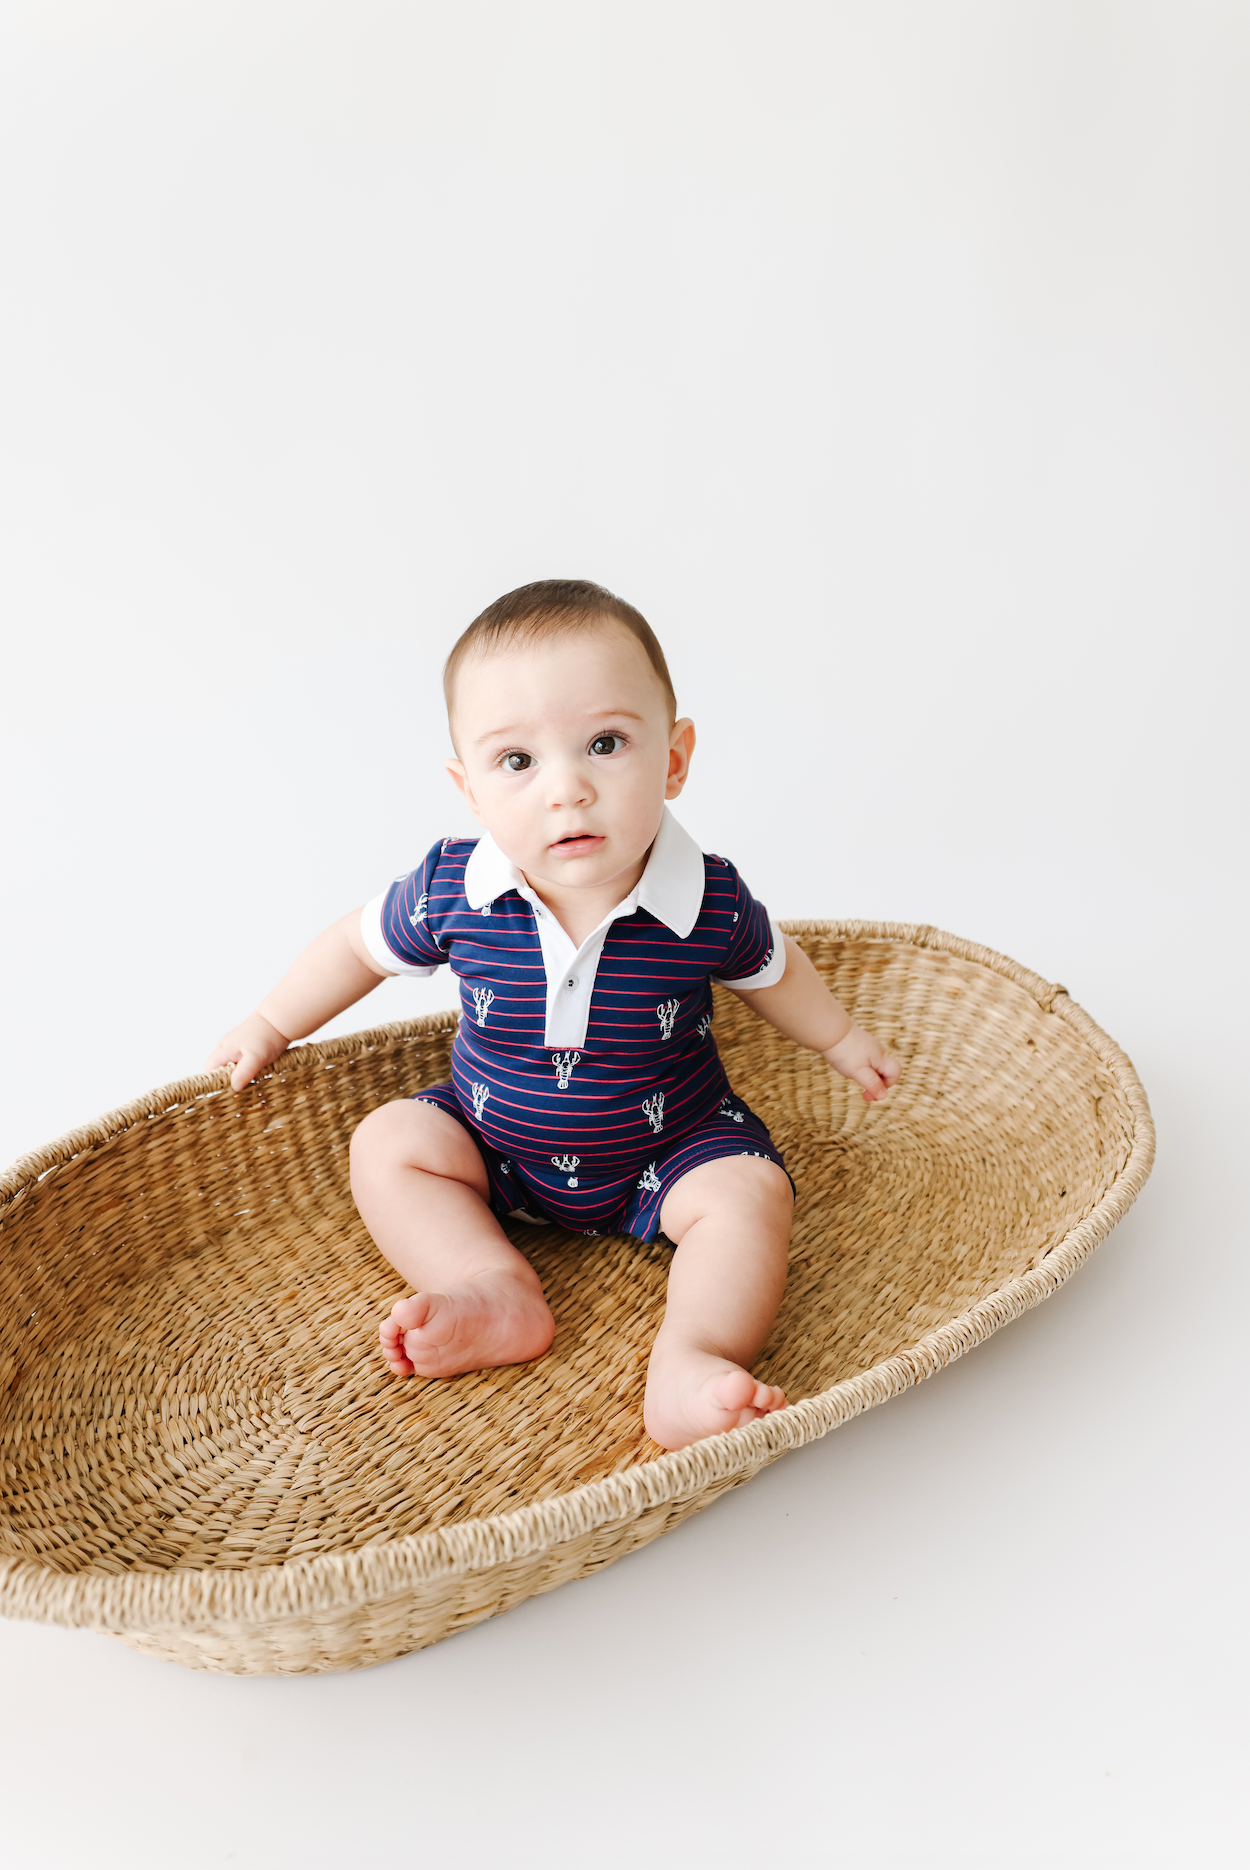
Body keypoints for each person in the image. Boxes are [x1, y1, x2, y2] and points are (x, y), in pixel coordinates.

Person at [208, 580, 900, 1449]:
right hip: (493, 1144)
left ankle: (691, 1356)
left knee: (752, 1195)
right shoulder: (454, 889)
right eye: (517, 762)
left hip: (672, 1150)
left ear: (675, 758)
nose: (566, 790)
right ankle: (491, 1284)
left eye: (604, 744)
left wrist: (841, 1038)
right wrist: (272, 1022)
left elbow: (774, 970)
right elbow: (355, 947)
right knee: (389, 1142)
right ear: (469, 788)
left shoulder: (709, 899)